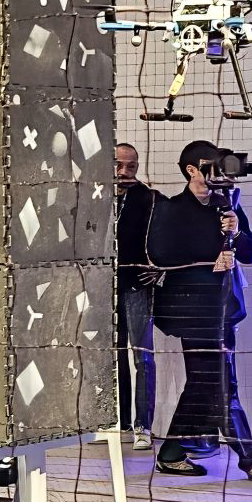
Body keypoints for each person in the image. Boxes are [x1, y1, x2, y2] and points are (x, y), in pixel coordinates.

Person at [146, 139, 252, 480]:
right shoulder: (172, 208)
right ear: (192, 170)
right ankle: (249, 458)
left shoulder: (228, 205)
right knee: (220, 383)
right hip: (193, 311)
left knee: (205, 383)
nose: (220, 171)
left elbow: (251, 253)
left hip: (224, 310)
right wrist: (209, 257)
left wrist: (237, 231)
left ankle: (172, 453)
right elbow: (161, 255)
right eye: (212, 165)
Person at [114, 143, 160, 451]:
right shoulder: (94, 196)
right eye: (119, 165)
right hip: (103, 289)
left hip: (136, 287)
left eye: (131, 166)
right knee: (112, 357)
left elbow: (166, 240)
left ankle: (144, 426)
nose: (125, 172)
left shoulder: (149, 199)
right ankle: (119, 423)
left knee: (142, 357)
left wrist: (160, 268)